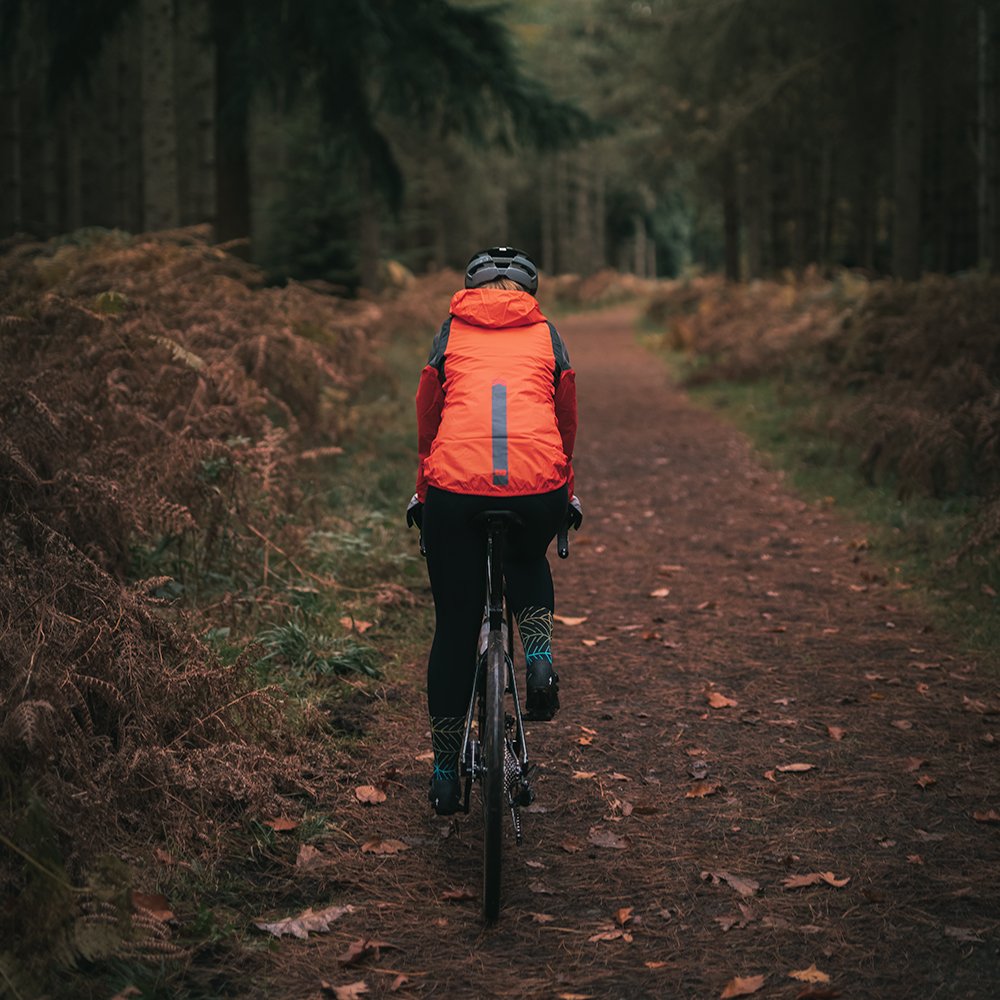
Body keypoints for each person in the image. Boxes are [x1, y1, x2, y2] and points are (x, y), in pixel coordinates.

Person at [406, 246, 582, 816]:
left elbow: (428, 416)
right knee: (527, 558)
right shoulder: (547, 335)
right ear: (529, 291)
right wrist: (564, 485)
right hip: (537, 486)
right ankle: (537, 654)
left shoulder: (449, 333)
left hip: (455, 489)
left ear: (471, 287)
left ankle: (443, 773)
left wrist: (424, 488)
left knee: (455, 627)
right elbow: (564, 417)